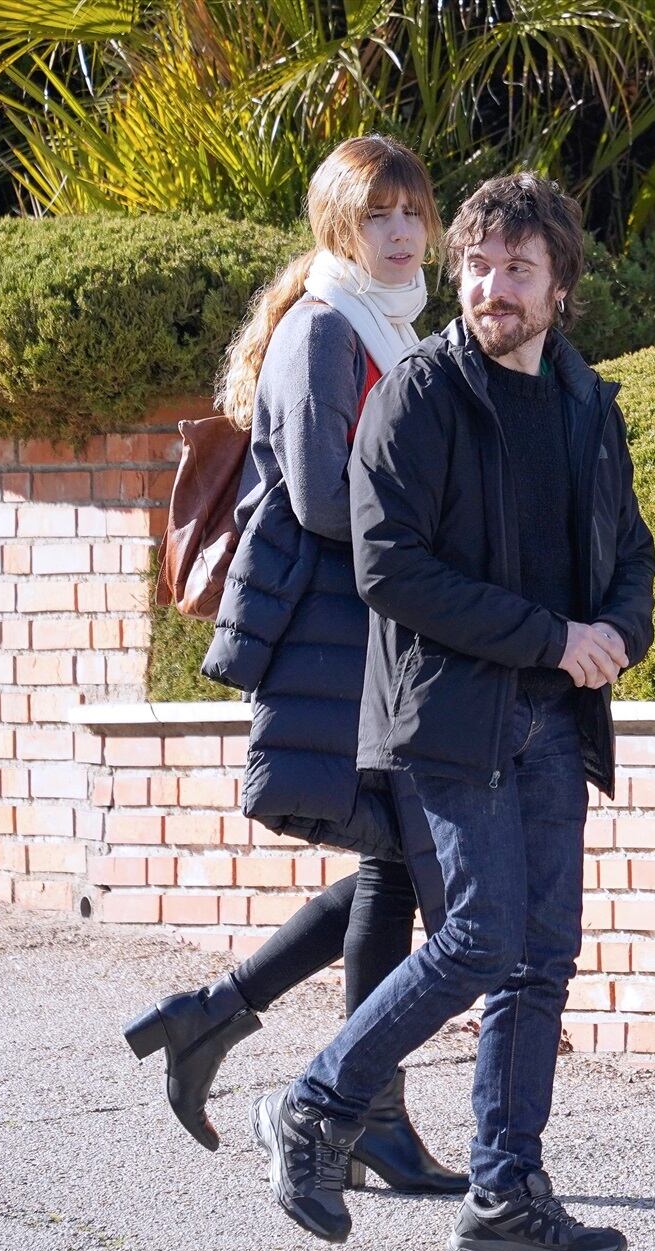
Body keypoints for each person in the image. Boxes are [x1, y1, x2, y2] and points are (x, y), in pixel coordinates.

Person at [249, 172, 655, 1251]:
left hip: (554, 723)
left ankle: (506, 1190)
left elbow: (628, 555)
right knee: (480, 935)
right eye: (477, 264)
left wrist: (617, 628)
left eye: (517, 268)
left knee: (541, 959)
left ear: (558, 284)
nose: (490, 286)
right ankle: (320, 1101)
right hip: (448, 715)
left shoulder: (585, 404)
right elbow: (390, 567)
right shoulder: (419, 393)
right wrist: (547, 636)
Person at [122, 135, 463, 1196]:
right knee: (410, 865)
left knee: (393, 864)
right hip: (341, 638)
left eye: (413, 214)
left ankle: (229, 1026)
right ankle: (344, 1102)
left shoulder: (383, 326)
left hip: (369, 635)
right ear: (337, 228)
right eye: (379, 217)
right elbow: (325, 496)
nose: (402, 234)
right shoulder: (325, 333)